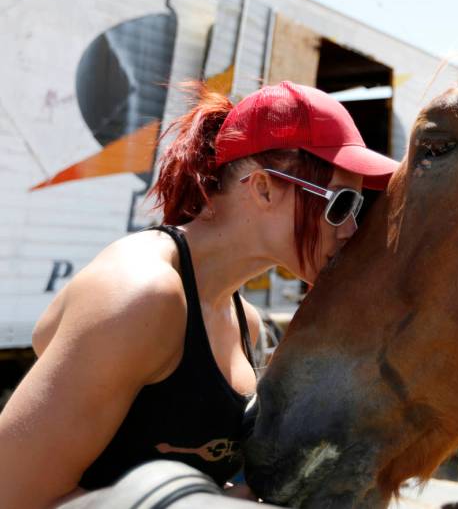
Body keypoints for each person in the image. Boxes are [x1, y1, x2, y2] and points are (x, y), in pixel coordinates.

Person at [0, 81, 398, 508]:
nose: (350, 229)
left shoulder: (244, 321)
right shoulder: (141, 295)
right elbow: (13, 493)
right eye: (340, 203)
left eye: (358, 208)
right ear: (263, 187)